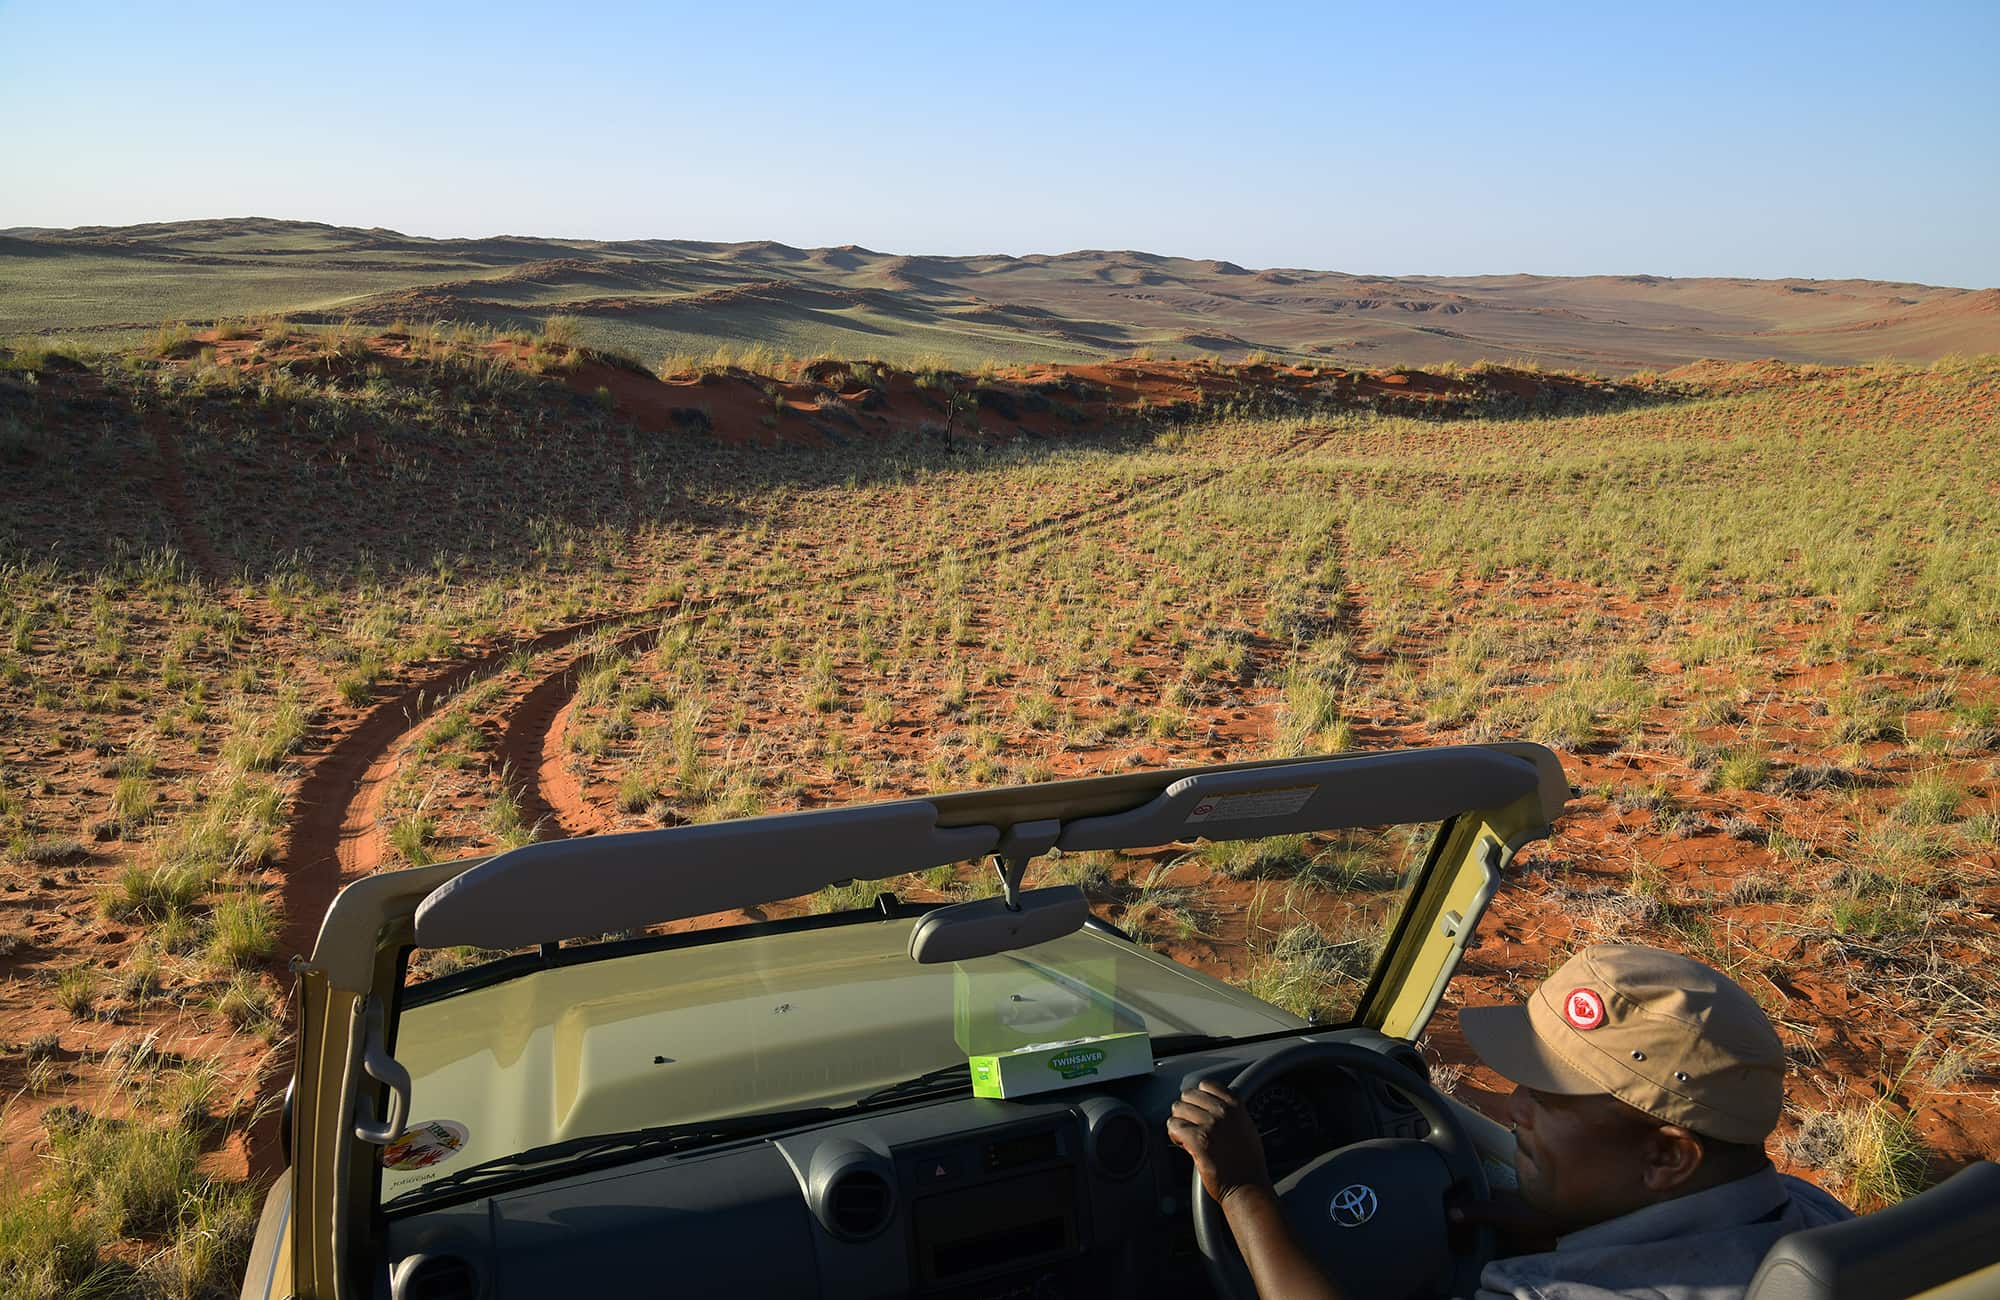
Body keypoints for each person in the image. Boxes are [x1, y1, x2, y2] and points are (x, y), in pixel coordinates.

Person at [1167, 943, 1853, 1299]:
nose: (1512, 1106)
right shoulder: (1823, 1222)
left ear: (1669, 1159)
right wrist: (1573, 1229)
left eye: (1548, 1100)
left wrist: (1247, 1195)